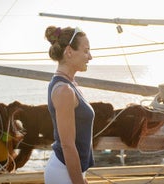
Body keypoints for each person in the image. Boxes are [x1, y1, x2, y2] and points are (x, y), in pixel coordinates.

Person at [44, 26, 95, 184]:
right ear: (69, 51)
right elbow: (67, 145)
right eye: (86, 51)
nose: (90, 57)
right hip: (63, 173)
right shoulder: (64, 90)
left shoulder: (70, 84)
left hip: (70, 172)